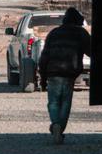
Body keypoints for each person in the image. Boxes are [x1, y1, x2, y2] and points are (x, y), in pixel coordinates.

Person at [37, 7, 91, 145]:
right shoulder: (81, 33)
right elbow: (91, 51)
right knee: (65, 103)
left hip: (53, 73)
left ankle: (55, 124)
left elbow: (44, 57)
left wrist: (42, 78)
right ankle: (59, 128)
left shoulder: (54, 33)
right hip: (69, 73)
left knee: (53, 102)